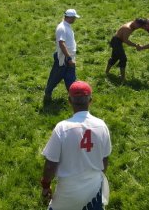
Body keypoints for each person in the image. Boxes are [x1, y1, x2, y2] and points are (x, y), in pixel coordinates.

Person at [41, 81, 111, 210]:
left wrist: (46, 185)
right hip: (94, 190)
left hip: (68, 193)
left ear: (69, 101)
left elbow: (50, 165)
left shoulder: (62, 128)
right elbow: (105, 160)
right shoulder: (102, 126)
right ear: (90, 100)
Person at [44, 9, 80, 104]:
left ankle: (74, 98)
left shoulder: (67, 26)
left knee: (71, 79)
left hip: (69, 59)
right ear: (69, 17)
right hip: (63, 59)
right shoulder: (62, 28)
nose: (75, 19)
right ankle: (48, 93)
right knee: (55, 78)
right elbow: (61, 43)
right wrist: (68, 58)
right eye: (74, 18)